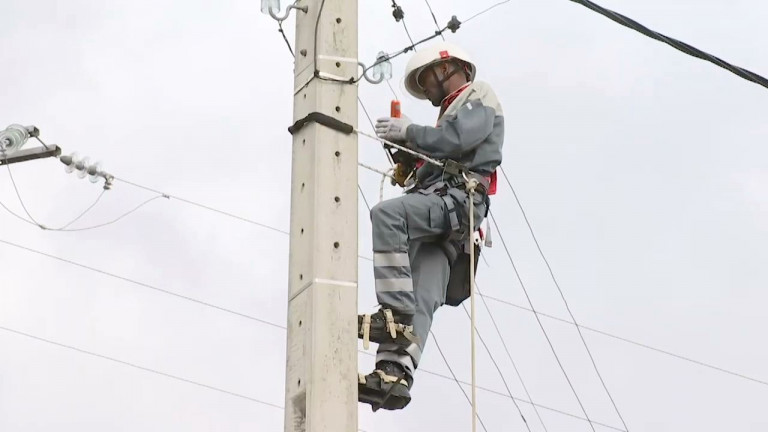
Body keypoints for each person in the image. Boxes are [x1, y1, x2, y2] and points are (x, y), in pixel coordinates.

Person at [357, 41, 505, 411]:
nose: (426, 89)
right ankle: (393, 376)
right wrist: (410, 156)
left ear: (448, 68)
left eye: (427, 79)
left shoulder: (477, 95)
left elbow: (456, 140)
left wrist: (411, 133)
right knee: (421, 295)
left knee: (387, 216)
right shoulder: (447, 117)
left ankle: (392, 313)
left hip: (455, 203)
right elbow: (437, 153)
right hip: (445, 215)